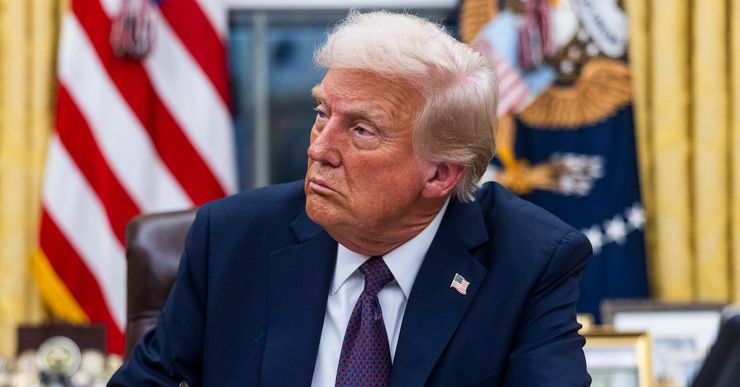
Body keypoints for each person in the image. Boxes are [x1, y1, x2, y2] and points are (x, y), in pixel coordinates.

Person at [110, 10, 591, 387]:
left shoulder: (530, 261)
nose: (318, 148)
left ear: (441, 174)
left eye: (361, 130)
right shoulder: (232, 239)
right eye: (322, 113)